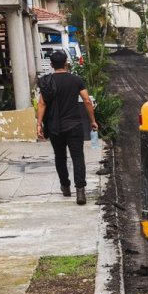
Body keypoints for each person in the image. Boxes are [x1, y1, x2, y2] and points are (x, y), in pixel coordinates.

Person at [36, 50, 97, 205]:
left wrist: (39, 124)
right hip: (74, 125)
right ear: (66, 63)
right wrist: (92, 121)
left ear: (51, 65)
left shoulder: (47, 82)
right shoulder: (76, 80)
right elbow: (87, 101)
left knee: (60, 157)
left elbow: (42, 103)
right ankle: (80, 191)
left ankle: (65, 187)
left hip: (54, 127)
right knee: (78, 157)